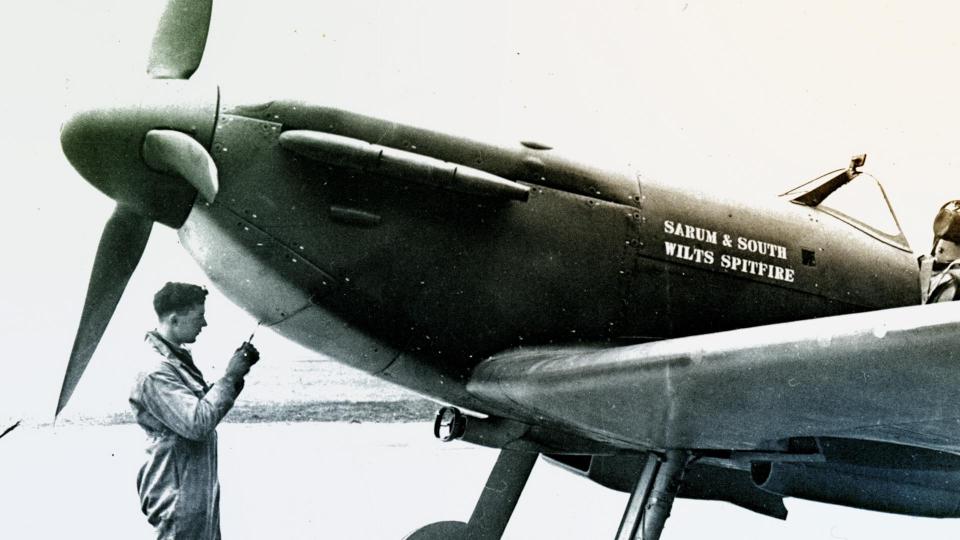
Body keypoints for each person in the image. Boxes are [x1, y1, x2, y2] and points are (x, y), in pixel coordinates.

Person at [130, 282, 260, 539]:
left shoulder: (175, 362)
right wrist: (231, 375)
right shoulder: (155, 371)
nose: (205, 324)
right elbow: (197, 423)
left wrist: (235, 377)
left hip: (192, 488)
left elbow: (199, 408)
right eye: (199, 316)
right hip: (177, 492)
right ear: (175, 319)